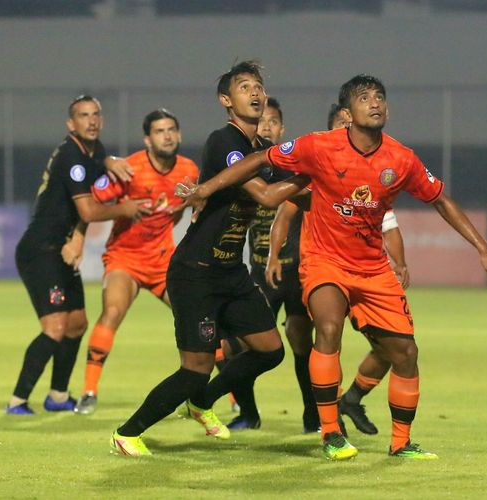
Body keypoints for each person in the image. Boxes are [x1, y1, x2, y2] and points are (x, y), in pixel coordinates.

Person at [179, 74, 487, 461]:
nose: (374, 102)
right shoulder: (319, 147)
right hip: (324, 261)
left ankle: (401, 443)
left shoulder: (401, 159)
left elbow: (441, 200)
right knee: (327, 327)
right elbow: (260, 159)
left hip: (372, 267)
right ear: (347, 112)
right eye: (364, 97)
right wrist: (206, 188)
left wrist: (483, 248)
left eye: (380, 97)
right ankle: (330, 433)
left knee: (405, 351)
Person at [109, 61, 309, 457]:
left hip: (231, 272)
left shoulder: (258, 150)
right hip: (196, 273)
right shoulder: (225, 142)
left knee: (270, 350)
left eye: (258, 86)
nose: (255, 93)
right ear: (226, 100)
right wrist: (311, 176)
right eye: (244, 87)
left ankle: (203, 402)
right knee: (195, 369)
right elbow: (269, 196)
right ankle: (127, 432)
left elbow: (291, 193)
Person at [265, 102, 406, 436]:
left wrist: (399, 263)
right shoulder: (318, 167)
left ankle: (351, 398)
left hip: (366, 273)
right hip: (322, 269)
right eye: (343, 124)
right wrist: (273, 255)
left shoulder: (373, 174)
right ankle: (322, 421)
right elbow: (284, 211)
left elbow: (388, 223)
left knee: (393, 347)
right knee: (316, 336)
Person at [7, 95, 149, 415]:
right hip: (40, 251)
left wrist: (110, 159)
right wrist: (123, 209)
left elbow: (100, 158)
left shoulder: (91, 151)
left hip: (61, 251)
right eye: (84, 116)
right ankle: (17, 400)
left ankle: (58, 396)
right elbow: (87, 208)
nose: (92, 120)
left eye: (96, 114)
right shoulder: (72, 157)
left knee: (77, 325)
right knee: (55, 327)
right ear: (71, 124)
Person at [74, 108, 199, 415]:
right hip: (124, 259)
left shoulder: (189, 169)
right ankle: (89, 392)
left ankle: (217, 398)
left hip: (162, 261)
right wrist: (122, 209)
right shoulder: (129, 169)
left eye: (171, 129)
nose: (167, 135)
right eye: (159, 131)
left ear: (179, 134)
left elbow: (186, 205)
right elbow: (90, 206)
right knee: (113, 311)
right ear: (147, 139)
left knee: (197, 319)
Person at [219, 96, 319, 433]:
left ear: (282, 128)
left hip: (297, 272)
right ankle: (248, 413)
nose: (266, 126)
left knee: (302, 342)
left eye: (273, 122)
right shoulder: (247, 168)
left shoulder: (296, 169)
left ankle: (312, 416)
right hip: (260, 272)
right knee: (232, 345)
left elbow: (297, 210)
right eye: (262, 122)